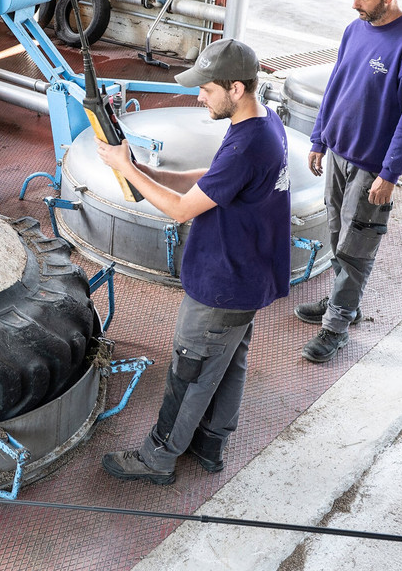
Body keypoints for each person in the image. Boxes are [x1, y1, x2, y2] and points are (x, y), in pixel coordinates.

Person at [97, 39, 292, 485]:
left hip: (223, 282)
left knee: (192, 368)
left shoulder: (249, 144)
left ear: (236, 88)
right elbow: (212, 178)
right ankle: (209, 443)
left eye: (206, 88)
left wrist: (127, 170)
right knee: (228, 363)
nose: (198, 96)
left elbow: (183, 210)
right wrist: (152, 173)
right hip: (249, 277)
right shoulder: (264, 124)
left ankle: (157, 458)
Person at [297, 0, 402, 363]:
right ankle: (344, 304)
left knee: (356, 247)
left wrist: (390, 173)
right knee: (338, 235)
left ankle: (336, 326)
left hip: (372, 166)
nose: (355, 4)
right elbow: (336, 85)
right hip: (338, 153)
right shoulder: (355, 30)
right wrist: (320, 137)